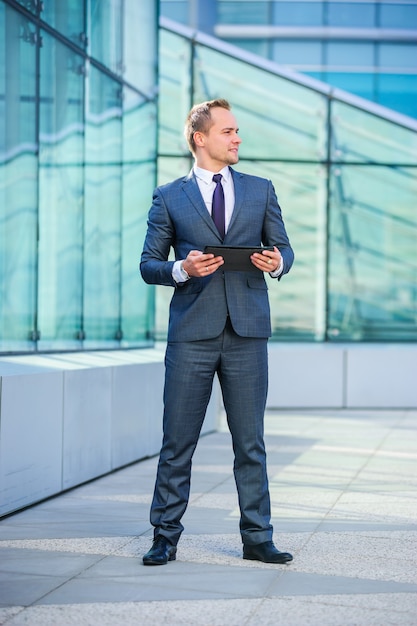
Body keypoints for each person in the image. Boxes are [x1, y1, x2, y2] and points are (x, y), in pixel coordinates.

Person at [140, 98, 294, 566]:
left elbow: (284, 248)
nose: (237, 138)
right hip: (192, 334)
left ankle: (257, 538)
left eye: (237, 131)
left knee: (250, 442)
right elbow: (148, 265)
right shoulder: (169, 196)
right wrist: (182, 270)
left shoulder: (260, 189)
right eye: (228, 131)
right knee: (178, 441)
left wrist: (278, 263)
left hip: (247, 332)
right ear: (199, 138)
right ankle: (165, 536)